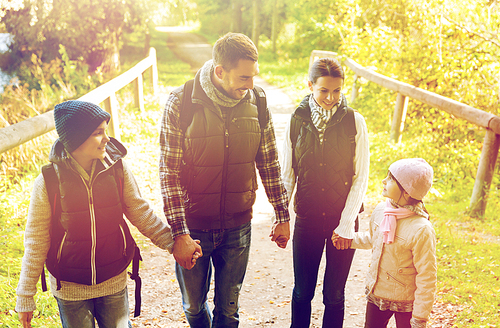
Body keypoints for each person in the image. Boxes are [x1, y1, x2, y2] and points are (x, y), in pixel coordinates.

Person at [15, 100, 201, 328]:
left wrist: (174, 243)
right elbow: (36, 240)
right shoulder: (48, 181)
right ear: (76, 138)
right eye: (98, 133)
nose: (107, 138)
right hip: (70, 289)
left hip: (113, 280)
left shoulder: (117, 169)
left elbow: (140, 212)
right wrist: (25, 297)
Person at [159, 32, 290, 328]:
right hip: (194, 227)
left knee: (229, 311)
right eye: (244, 78)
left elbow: (269, 162)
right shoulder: (181, 103)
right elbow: (169, 174)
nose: (251, 85)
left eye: (253, 76)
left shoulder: (256, 101)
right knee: (193, 306)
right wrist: (179, 233)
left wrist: (282, 214)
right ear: (220, 71)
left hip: (237, 226)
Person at [281, 57, 370, 328]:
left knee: (334, 295)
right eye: (324, 90)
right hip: (307, 220)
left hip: (342, 223)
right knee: (302, 291)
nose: (331, 97)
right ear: (310, 85)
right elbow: (288, 174)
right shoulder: (296, 120)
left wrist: (345, 225)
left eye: (337, 91)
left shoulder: (355, 122)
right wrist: (281, 216)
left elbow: (360, 178)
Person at [334, 158, 437, 328]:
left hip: (406, 303)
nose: (384, 181)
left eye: (390, 179)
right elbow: (374, 239)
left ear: (407, 191)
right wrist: (350, 239)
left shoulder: (421, 229)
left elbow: (427, 277)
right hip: (378, 294)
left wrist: (419, 318)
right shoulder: (382, 210)